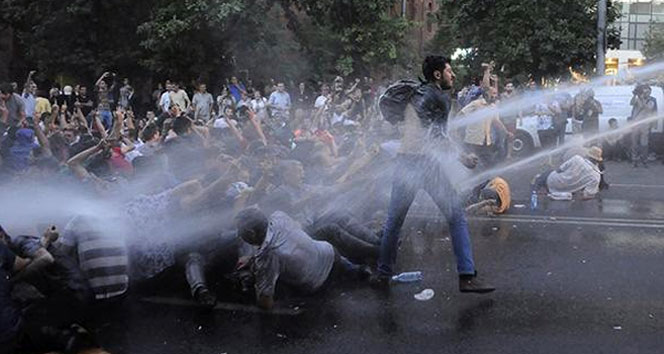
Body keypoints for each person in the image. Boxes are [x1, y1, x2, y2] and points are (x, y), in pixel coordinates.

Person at [374, 55, 494, 293]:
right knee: (456, 216)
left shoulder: (415, 93)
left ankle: (382, 274)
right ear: (437, 75)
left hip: (405, 162)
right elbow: (437, 136)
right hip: (425, 165)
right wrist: (463, 158)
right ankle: (467, 276)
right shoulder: (438, 96)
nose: (453, 75)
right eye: (450, 71)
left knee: (394, 222)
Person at [235, 208, 370, 310]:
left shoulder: (266, 259)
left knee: (278, 283)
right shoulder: (279, 217)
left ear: (251, 233)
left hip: (318, 283)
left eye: (240, 231)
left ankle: (335, 285)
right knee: (310, 249)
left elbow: (266, 303)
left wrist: (256, 279)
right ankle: (356, 270)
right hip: (332, 255)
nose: (239, 235)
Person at [532, 146, 603, 200]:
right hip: (566, 191)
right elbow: (587, 195)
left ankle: (534, 193)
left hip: (552, 180)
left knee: (540, 178)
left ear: (588, 155)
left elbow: (559, 170)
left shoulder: (577, 158)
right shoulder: (596, 176)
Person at [630, 84, 657, 168]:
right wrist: (635, 95)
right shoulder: (638, 98)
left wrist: (642, 99)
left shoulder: (652, 100)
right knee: (634, 142)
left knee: (644, 143)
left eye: (647, 91)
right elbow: (631, 103)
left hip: (645, 124)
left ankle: (644, 160)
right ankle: (634, 160)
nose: (646, 93)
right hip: (636, 123)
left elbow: (649, 109)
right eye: (644, 91)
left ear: (650, 92)